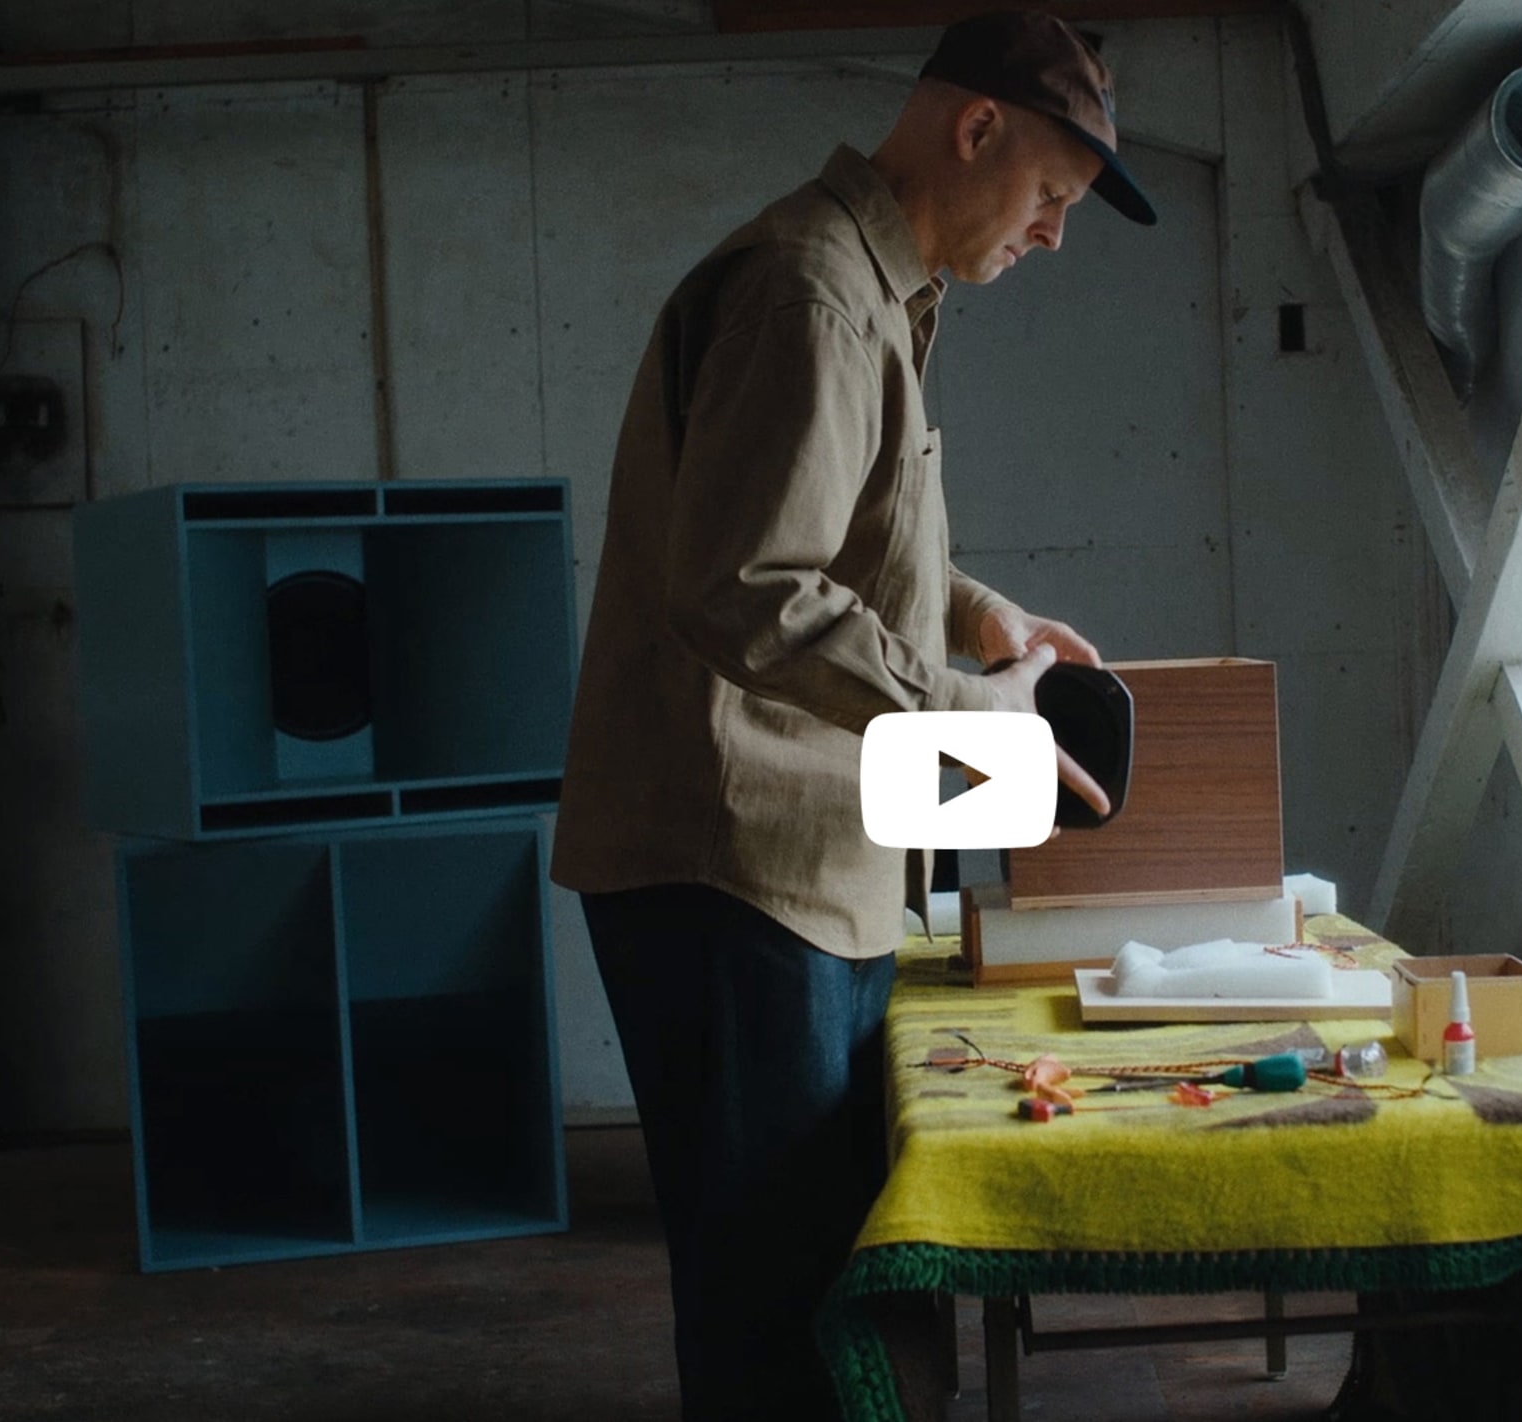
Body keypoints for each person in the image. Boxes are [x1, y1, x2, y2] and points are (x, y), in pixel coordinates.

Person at [548, 9, 1155, 1418]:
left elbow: (838, 534)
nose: (1054, 237)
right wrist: (974, 712)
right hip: (732, 867)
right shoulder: (812, 295)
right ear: (976, 129)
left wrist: (977, 612)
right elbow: (748, 584)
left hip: (795, 861)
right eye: (1052, 197)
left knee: (817, 1272)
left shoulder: (873, 293)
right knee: (778, 1297)